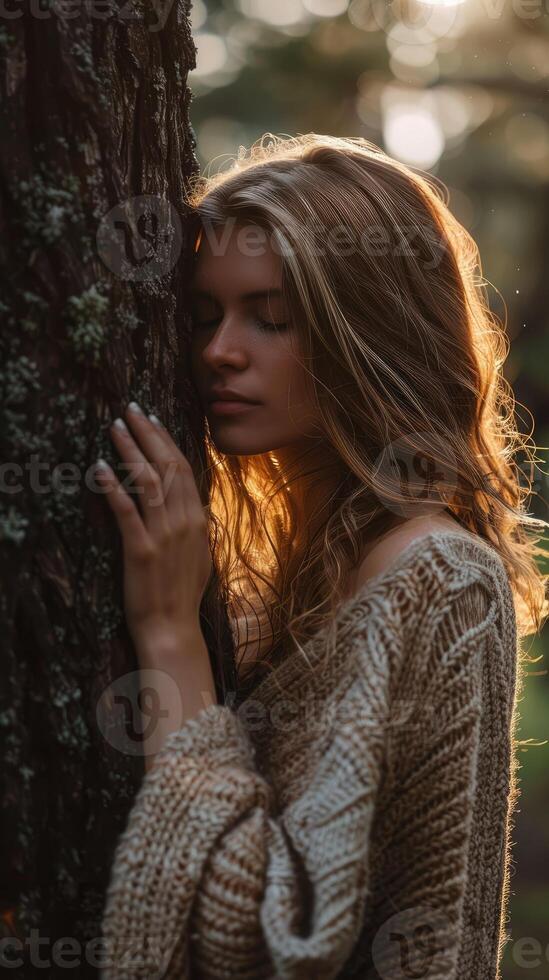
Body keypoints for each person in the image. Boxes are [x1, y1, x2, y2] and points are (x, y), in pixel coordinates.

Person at [96, 135, 548, 979]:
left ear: (370, 333)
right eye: (203, 317)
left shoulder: (439, 582)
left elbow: (275, 948)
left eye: (271, 319)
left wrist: (166, 638)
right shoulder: (282, 573)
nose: (217, 352)